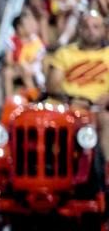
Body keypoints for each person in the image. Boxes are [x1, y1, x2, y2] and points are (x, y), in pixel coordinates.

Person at [44, 12, 109, 164]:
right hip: (67, 106)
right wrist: (72, 99)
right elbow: (53, 85)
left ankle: (106, 173)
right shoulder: (65, 53)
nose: (90, 30)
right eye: (86, 26)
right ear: (79, 29)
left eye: (95, 26)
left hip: (100, 109)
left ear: (104, 30)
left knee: (106, 119)